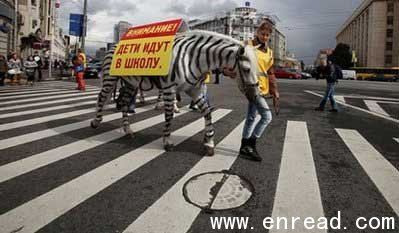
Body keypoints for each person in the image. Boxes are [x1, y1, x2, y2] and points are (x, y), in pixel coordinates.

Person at [223, 20, 278, 162]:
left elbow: (270, 72)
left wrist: (275, 90)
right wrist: (226, 71)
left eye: (267, 35)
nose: (264, 37)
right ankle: (250, 144)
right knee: (267, 117)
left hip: (263, 88)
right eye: (262, 33)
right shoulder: (248, 45)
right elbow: (233, 58)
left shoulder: (270, 52)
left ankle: (244, 145)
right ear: (257, 32)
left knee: (251, 117)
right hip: (252, 87)